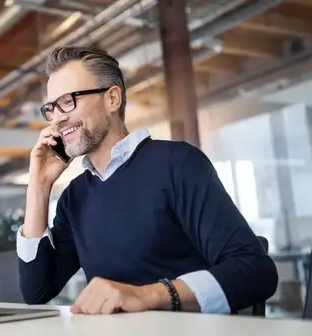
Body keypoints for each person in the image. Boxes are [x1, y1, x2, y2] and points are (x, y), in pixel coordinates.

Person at [17, 46, 278, 315]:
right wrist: (39, 185)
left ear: (112, 99)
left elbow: (256, 271)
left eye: (68, 101)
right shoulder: (75, 197)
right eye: (51, 108)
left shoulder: (177, 163)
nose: (58, 118)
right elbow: (37, 291)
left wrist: (149, 295)